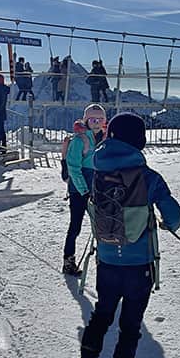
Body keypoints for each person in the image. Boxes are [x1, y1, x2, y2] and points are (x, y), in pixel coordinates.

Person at [73, 113, 180, 358]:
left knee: (102, 314)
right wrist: (166, 223)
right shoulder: (148, 178)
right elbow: (175, 216)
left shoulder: (98, 171)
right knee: (130, 322)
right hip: (139, 264)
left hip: (107, 261)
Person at [62, 103, 108, 275]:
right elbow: (73, 167)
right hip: (79, 190)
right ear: (86, 121)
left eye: (100, 120)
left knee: (102, 226)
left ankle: (104, 260)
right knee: (76, 226)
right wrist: (84, 190)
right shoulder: (80, 140)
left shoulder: (104, 139)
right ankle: (68, 261)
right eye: (93, 119)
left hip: (96, 189)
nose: (96, 123)